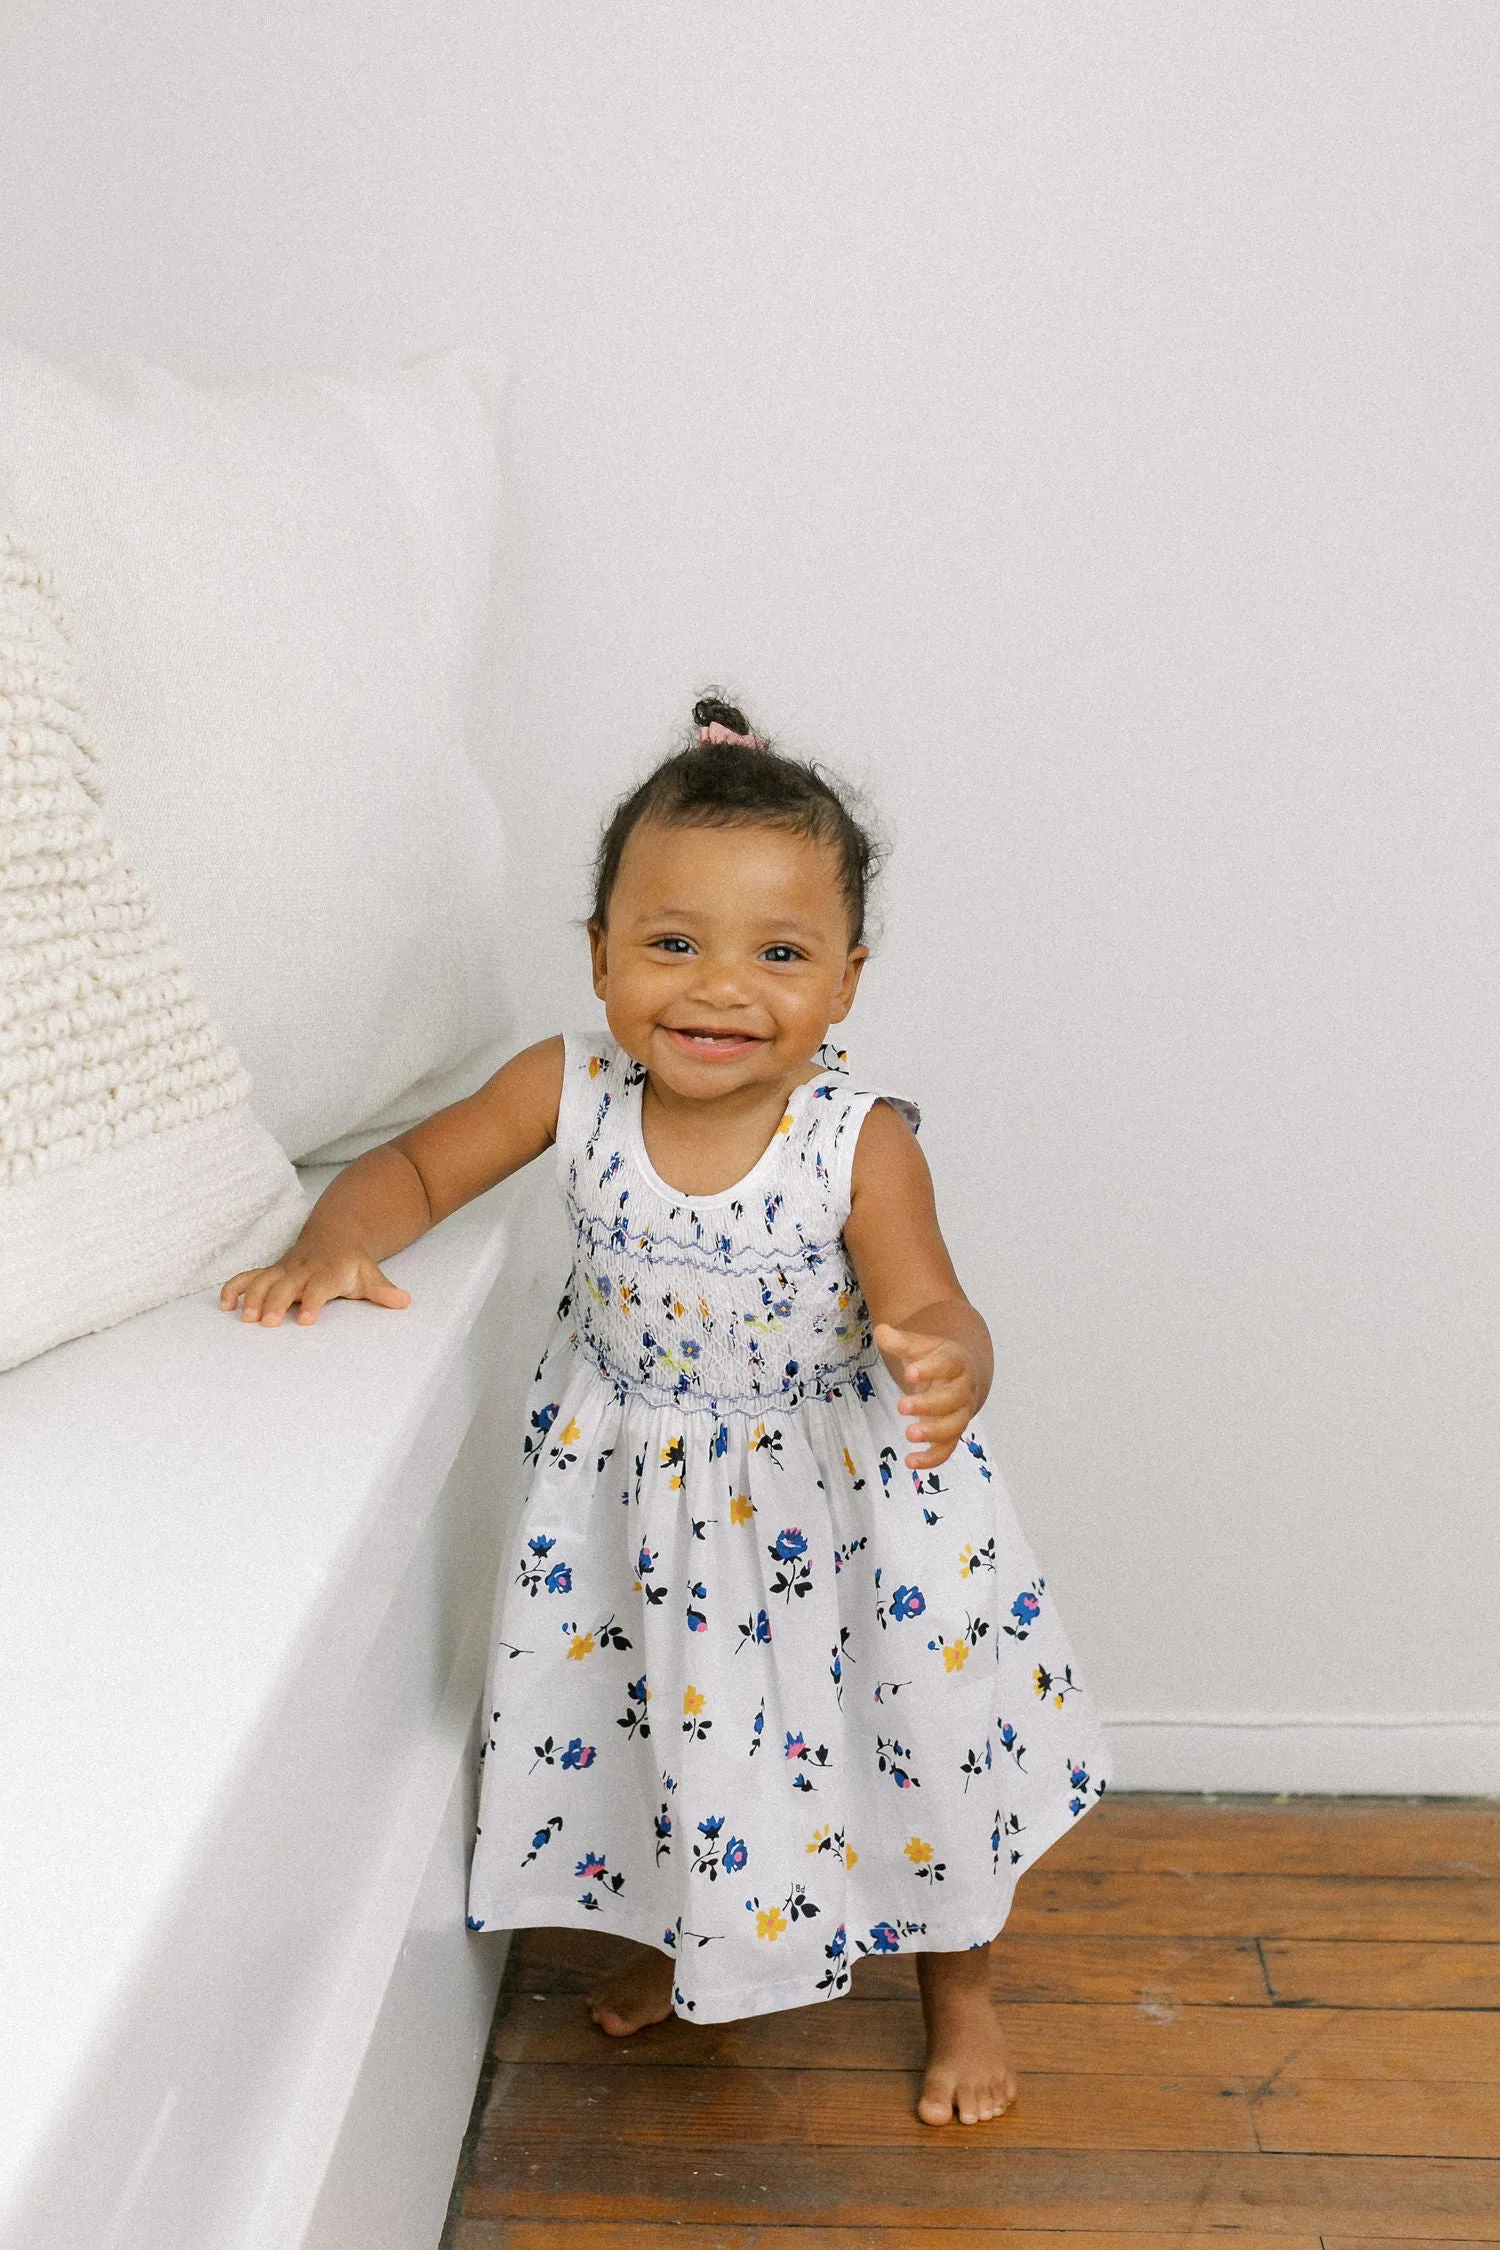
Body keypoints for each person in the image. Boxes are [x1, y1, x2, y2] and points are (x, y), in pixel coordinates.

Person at [220, 692, 1111, 2126]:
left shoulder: (854, 1136)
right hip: (643, 1494)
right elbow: (420, 1171)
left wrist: (950, 1357)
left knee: (920, 1738)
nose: (719, 987)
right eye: (672, 942)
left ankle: (962, 1987)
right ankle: (683, 1939)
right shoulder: (565, 1087)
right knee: (659, 1728)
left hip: (850, 1502)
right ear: (600, 954)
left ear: (847, 979)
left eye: (779, 952)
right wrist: (342, 1234)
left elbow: (935, 1299)